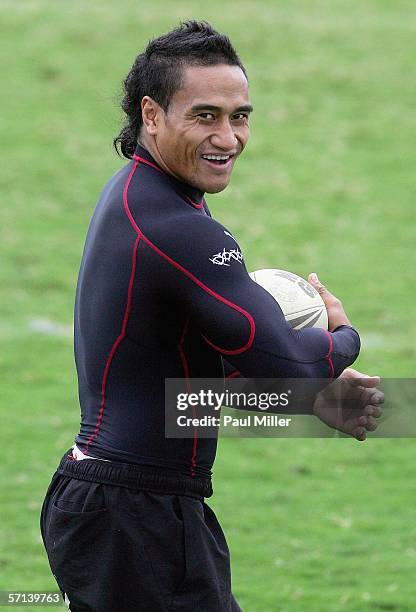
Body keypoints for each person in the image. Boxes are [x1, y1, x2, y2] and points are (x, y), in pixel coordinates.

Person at [40, 21, 383, 611]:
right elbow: (288, 366)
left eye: (240, 116)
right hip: (135, 518)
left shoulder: (138, 196)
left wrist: (316, 399)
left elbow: (178, 387)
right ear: (152, 115)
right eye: (205, 116)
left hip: (125, 508)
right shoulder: (176, 228)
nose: (228, 136)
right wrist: (341, 339)